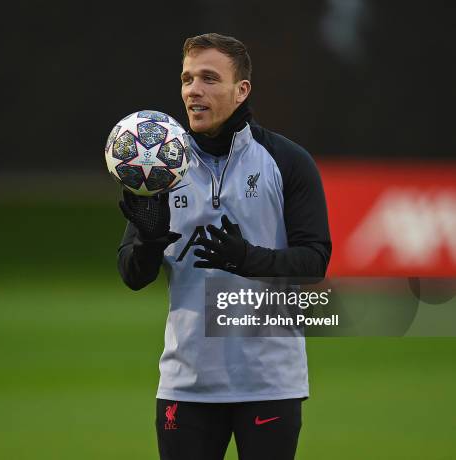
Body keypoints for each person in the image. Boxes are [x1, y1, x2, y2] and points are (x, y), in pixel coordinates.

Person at [117, 33, 331, 460]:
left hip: (269, 381)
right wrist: (148, 241)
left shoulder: (287, 161)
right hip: (187, 381)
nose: (193, 89)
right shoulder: (159, 164)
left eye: (209, 78)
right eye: (187, 78)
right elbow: (132, 275)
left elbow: (315, 261)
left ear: (241, 90)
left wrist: (247, 259)